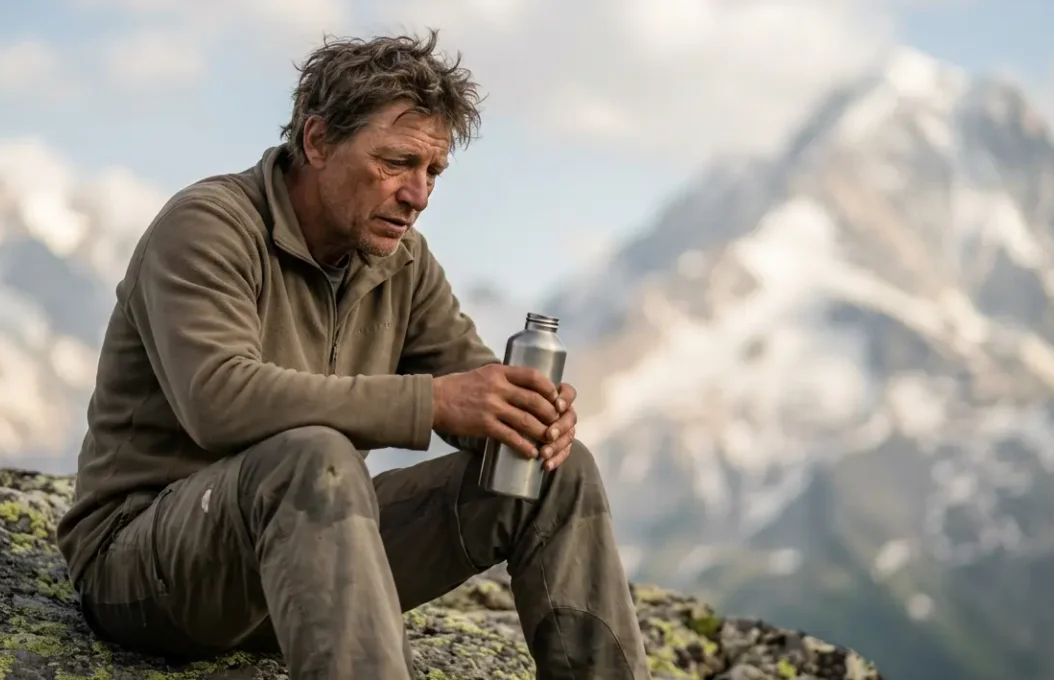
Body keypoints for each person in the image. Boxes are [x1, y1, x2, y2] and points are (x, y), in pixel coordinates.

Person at [56, 30, 651, 680]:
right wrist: (435, 401)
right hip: (145, 567)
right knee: (313, 455)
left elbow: (474, 394)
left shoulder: (399, 262)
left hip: (308, 565)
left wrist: (525, 417)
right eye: (396, 163)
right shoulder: (208, 226)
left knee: (551, 470)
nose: (418, 195)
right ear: (316, 141)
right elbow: (217, 400)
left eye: (433, 172)